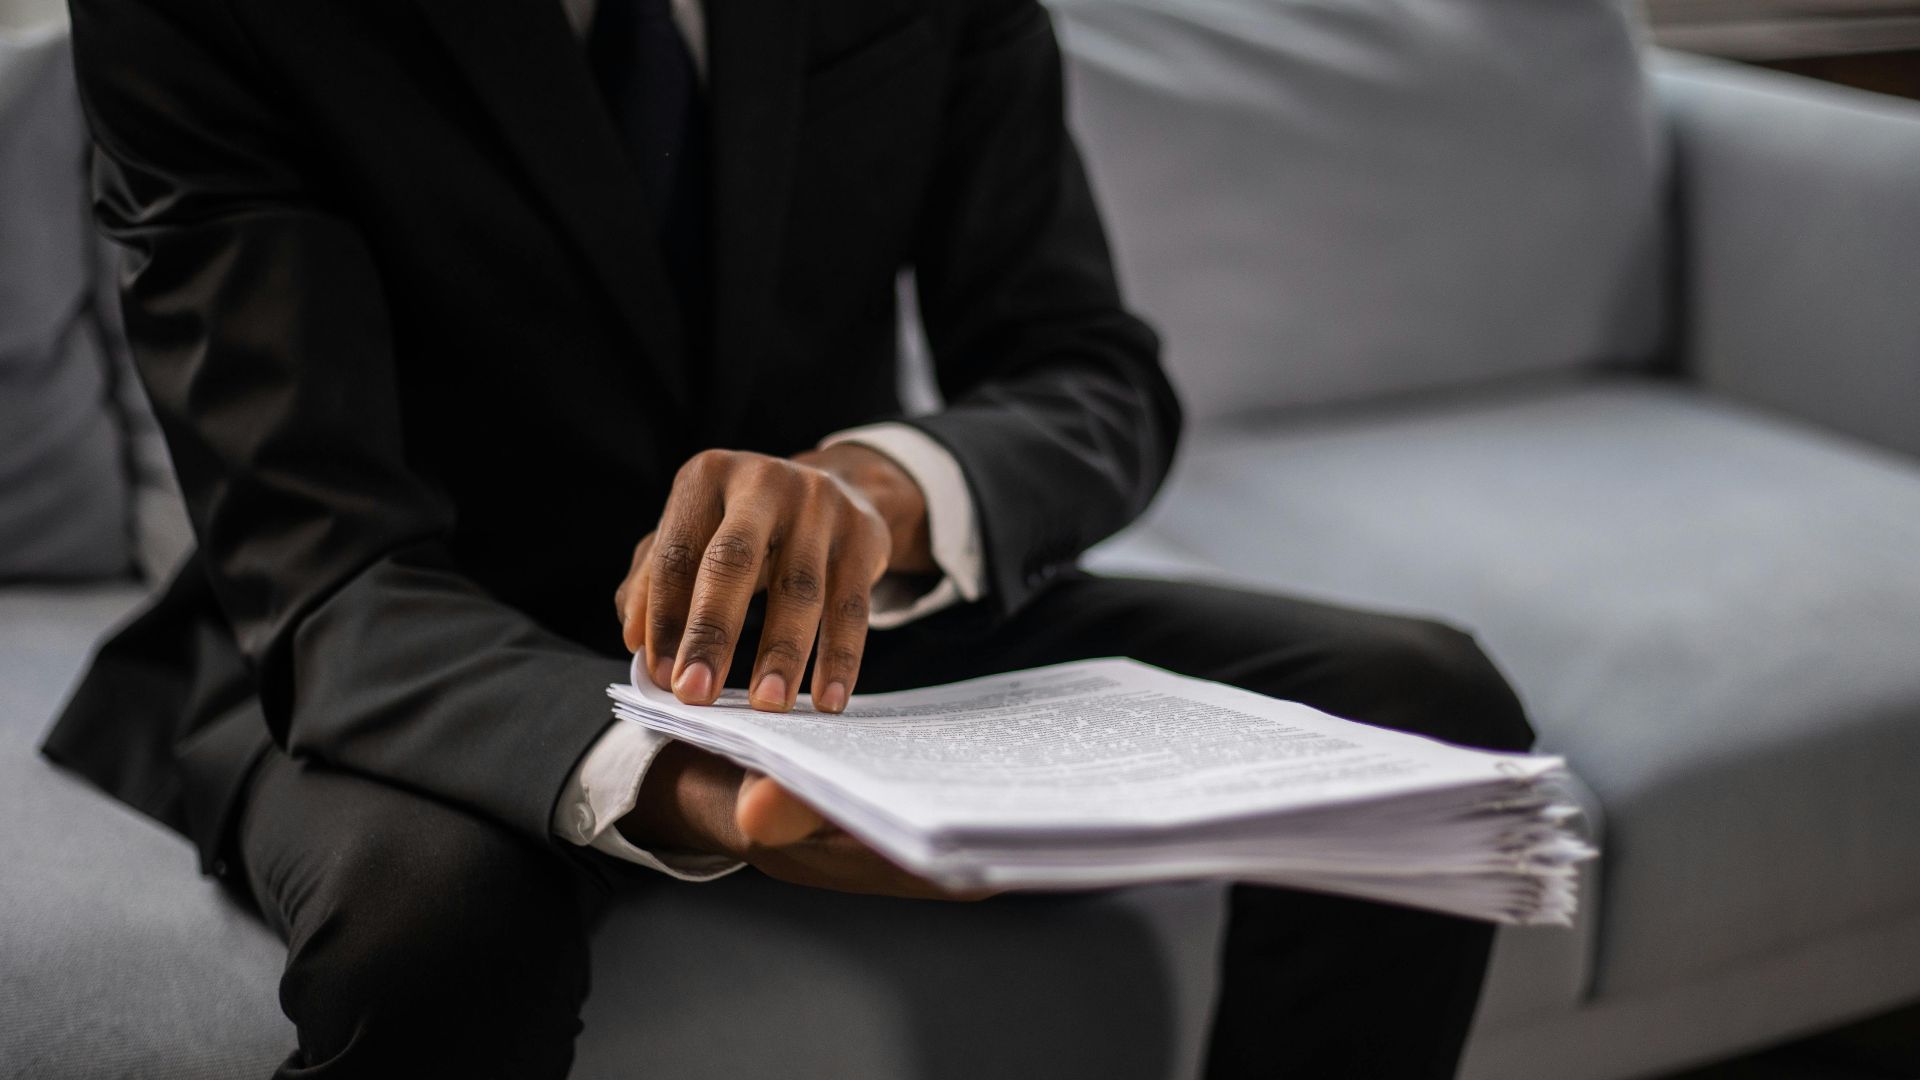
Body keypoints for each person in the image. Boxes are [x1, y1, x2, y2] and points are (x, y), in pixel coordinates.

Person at [46, 0, 1536, 1075]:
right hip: (405, 642)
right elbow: (330, 560)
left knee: (1422, 709)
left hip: (840, 627)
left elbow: (1089, 371)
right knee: (437, 932)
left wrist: (879, 494)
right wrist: (706, 787)